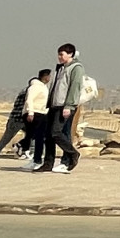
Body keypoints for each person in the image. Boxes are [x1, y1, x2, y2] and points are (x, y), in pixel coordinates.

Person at [36, 44, 84, 174]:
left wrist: (69, 105)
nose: (59, 57)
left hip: (65, 106)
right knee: (48, 136)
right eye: (58, 54)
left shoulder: (76, 68)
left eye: (62, 54)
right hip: (54, 105)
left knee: (56, 133)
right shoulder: (61, 68)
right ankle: (48, 163)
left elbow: (75, 87)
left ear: (70, 54)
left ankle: (72, 153)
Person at [0, 76, 33, 158]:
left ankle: (23, 150)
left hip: (18, 119)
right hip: (18, 120)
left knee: (31, 135)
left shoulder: (24, 92)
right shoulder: (29, 93)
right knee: (7, 138)